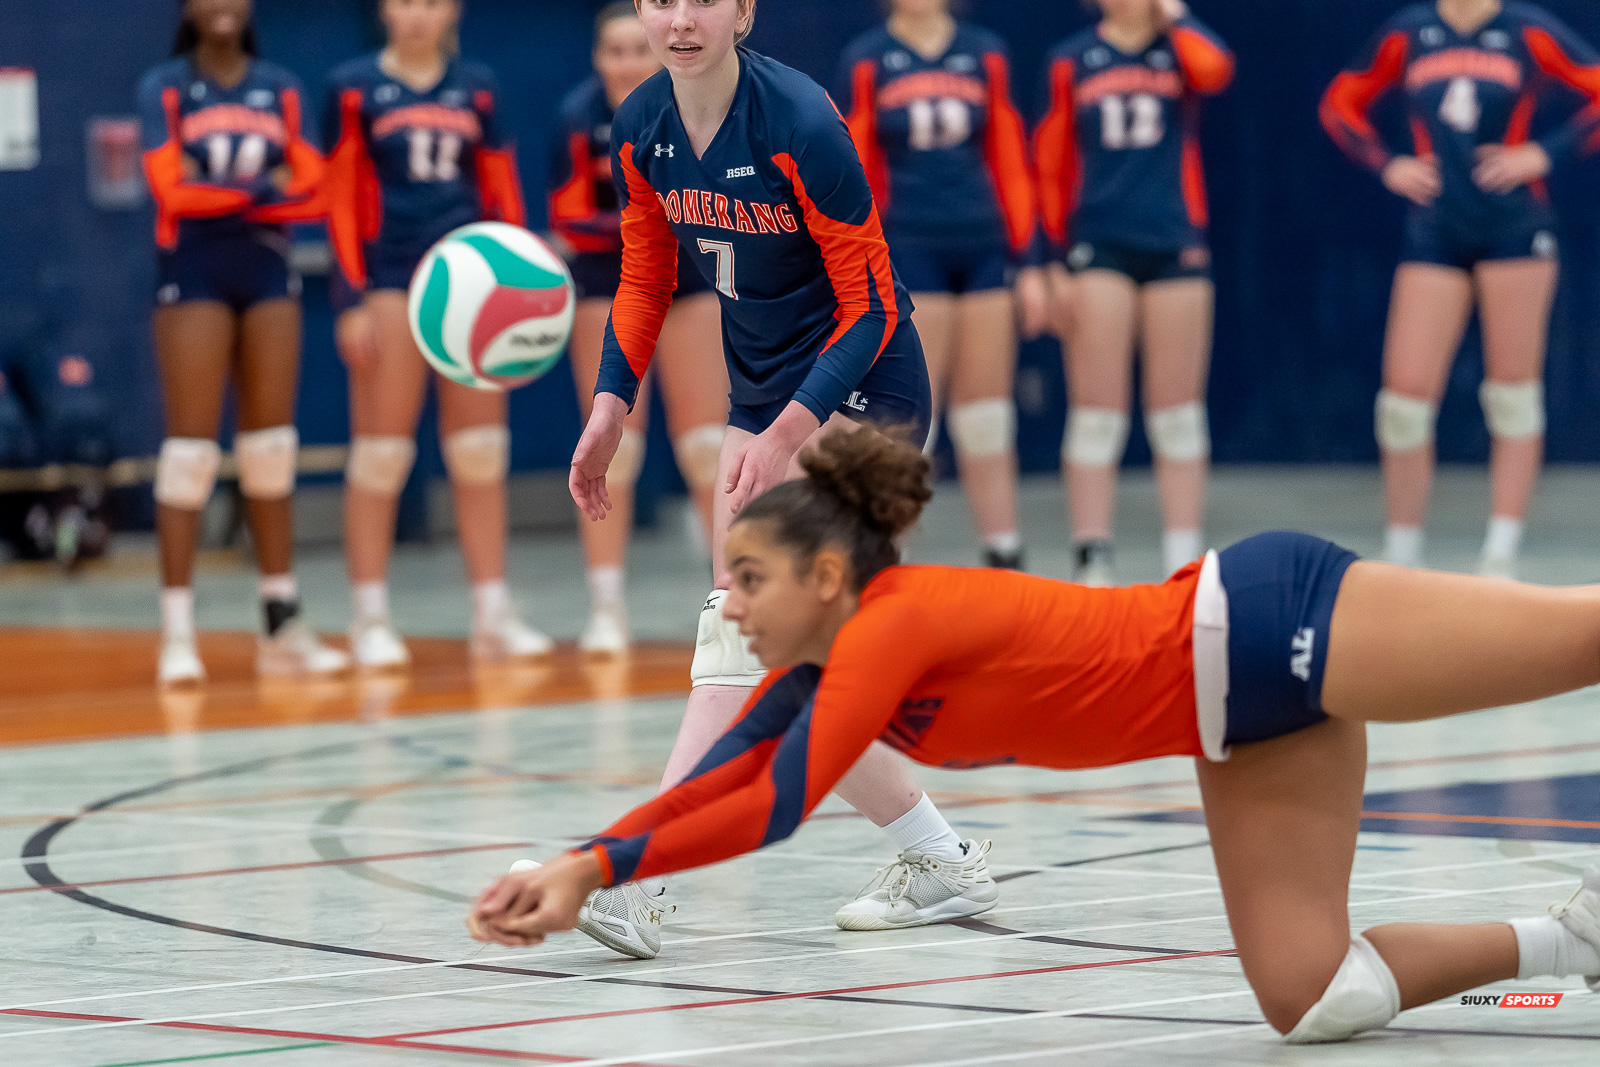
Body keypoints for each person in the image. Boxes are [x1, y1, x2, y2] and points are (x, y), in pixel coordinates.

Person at [471, 427, 1600, 1044]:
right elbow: (727, 772)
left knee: (1585, 636)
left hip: (1270, 616)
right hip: (1237, 721)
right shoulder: (826, 660)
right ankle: (1577, 935)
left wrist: (592, 869)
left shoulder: (893, 626)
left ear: (827, 576)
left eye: (749, 580)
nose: (734, 605)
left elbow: (772, 804)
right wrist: (589, 860)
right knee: (1315, 999)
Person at [561, 0, 998, 960]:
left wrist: (792, 429)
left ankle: (641, 870)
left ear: (745, 10)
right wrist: (608, 405)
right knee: (792, 664)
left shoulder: (800, 120)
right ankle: (940, 857)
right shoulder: (640, 126)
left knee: (734, 626)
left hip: (863, 389)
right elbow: (643, 277)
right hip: (764, 401)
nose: (681, 18)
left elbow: (874, 301)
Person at [1322, 0, 1600, 577]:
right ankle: (1402, 556)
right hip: (1437, 230)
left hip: (1516, 229)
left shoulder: (1526, 30)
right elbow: (1340, 105)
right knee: (1402, 403)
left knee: (1512, 395)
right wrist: (1386, 164)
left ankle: (1500, 554)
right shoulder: (1408, 33)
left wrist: (1541, 153)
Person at [324, 0, 551, 668]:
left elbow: (501, 187)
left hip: (471, 278)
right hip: (391, 277)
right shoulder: (351, 85)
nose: (417, 14)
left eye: (431, 2)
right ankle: (368, 616)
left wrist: (520, 278)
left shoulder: (478, 85)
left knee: (480, 449)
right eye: (404, 1)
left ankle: (491, 612)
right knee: (382, 454)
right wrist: (350, 300)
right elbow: (338, 196)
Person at [139, 0, 348, 685]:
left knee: (271, 449)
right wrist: (266, 186)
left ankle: (281, 623)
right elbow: (172, 192)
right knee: (191, 453)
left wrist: (222, 188)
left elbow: (315, 191)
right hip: (192, 270)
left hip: (265, 267)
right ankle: (177, 630)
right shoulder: (165, 86)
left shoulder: (282, 87)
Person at [838, 0, 1047, 569]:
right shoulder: (868, 59)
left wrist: (1028, 260)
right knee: (909, 417)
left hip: (982, 247)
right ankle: (889, 562)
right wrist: (861, 259)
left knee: (987, 418)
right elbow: (854, 166)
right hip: (910, 246)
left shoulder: (985, 51)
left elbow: (1009, 155)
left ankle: (1004, 556)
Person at [551, 1, 730, 654]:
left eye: (637, 49)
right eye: (614, 51)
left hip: (689, 284)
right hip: (606, 283)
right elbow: (567, 213)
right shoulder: (579, 116)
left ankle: (729, 598)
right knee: (612, 449)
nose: (628, 62)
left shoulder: (697, 103)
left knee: (709, 444)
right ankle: (606, 606)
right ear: (598, 58)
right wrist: (641, 224)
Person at [1035, 0, 1233, 585]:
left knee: (1178, 417)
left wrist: (1176, 15)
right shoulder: (1072, 59)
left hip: (1175, 241)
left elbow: (1216, 71)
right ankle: (1093, 556)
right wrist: (1050, 262)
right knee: (1097, 416)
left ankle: (1184, 560)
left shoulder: (1180, 48)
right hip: (1099, 243)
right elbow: (1049, 162)